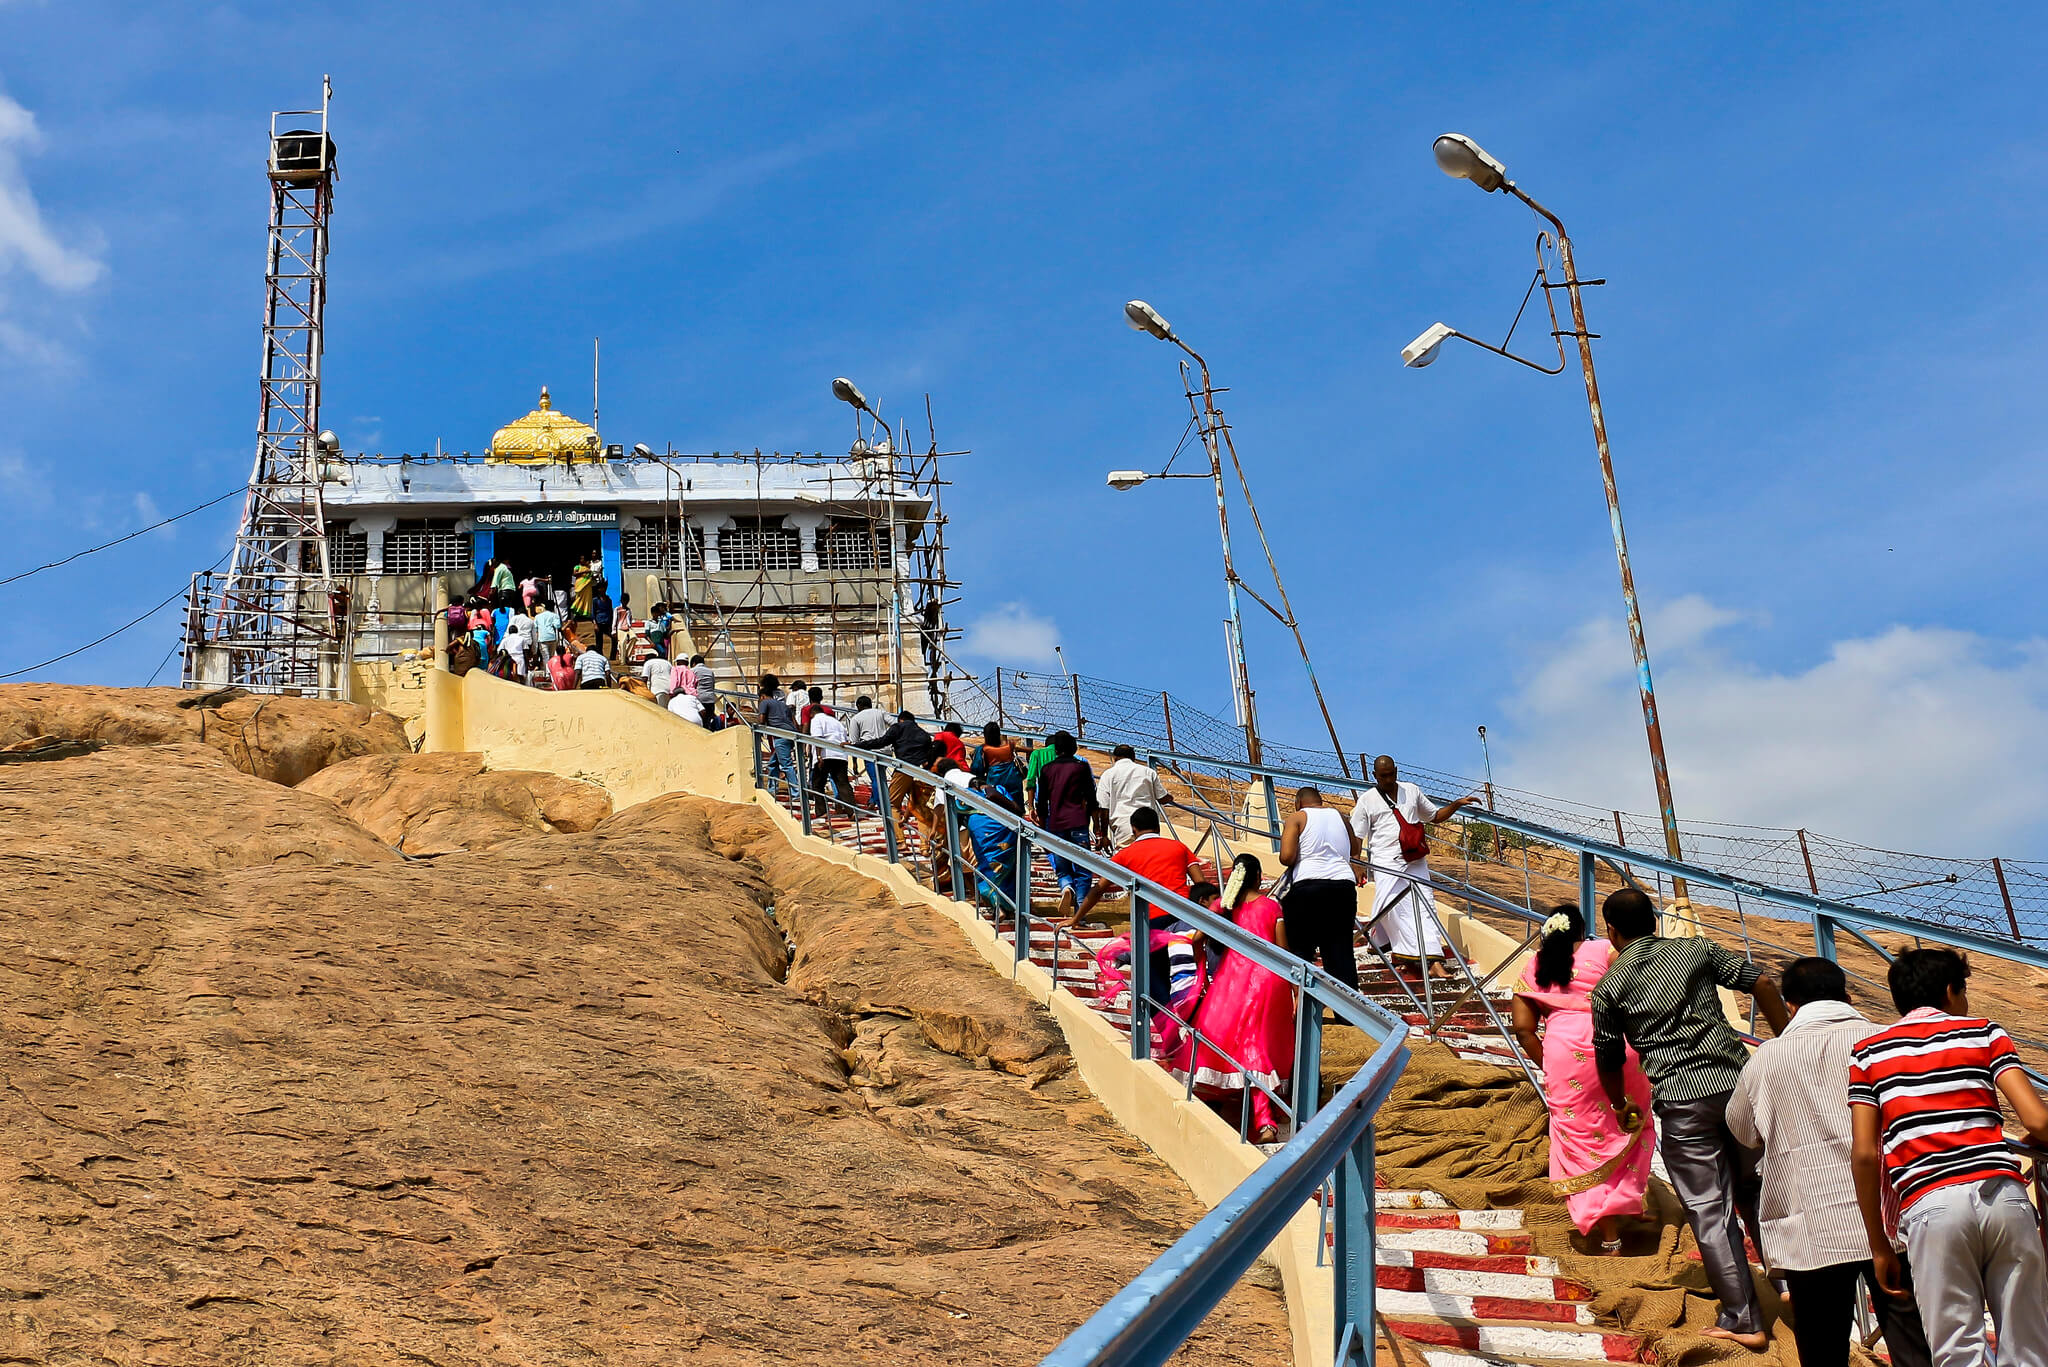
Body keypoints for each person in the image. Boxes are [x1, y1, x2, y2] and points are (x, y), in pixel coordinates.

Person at [1592, 887, 1788, 1351]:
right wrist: (1784, 1041)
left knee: (1708, 1209)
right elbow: (1760, 982)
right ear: (1655, 921)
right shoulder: (1696, 950)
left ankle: (1743, 1318)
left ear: (1612, 932)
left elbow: (1607, 1055)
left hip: (1681, 1099)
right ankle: (1789, 1284)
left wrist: (1620, 1104)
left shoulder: (1609, 988)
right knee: (1759, 1190)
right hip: (1738, 1086)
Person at [1726, 958, 1932, 1367]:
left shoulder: (1767, 1058)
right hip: (1894, 1219)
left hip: (1810, 1226)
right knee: (1913, 1345)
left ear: (1790, 1006)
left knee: (1822, 1350)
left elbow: (1742, 1130)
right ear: (1848, 995)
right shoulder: (1885, 1041)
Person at [1849, 948, 2048, 1367]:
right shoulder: (1985, 1033)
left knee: (1957, 1349)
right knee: (2028, 1343)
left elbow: (1866, 1154)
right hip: (2003, 1196)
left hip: (1930, 1206)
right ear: (1949, 992)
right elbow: (2037, 1119)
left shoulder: (1868, 1053)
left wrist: (1879, 1246)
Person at [1512, 904, 1656, 1254]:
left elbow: (1523, 1029)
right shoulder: (1604, 951)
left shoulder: (1534, 965)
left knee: (1583, 1142)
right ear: (1583, 931)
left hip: (1564, 1055)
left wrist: (1552, 1064)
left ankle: (1610, 1236)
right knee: (1628, 1122)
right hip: (1616, 1049)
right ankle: (1627, 1201)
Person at [1176, 853, 1295, 1145]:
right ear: (1257, 877)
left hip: (1232, 980)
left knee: (1234, 1043)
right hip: (1269, 980)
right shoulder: (1271, 906)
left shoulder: (1224, 906)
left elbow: (1194, 938)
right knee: (1260, 1047)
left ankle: (1251, 1114)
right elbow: (1283, 950)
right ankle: (1266, 1120)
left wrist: (1199, 965)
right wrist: (1295, 989)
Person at [1350, 755, 1485, 977]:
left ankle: (1432, 962)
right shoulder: (1367, 800)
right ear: (1375, 776)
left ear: (1396, 770)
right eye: (1383, 776)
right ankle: (1404, 953)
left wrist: (1457, 804)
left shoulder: (1411, 791)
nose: (1388, 779)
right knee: (1388, 909)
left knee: (1425, 908)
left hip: (1415, 860)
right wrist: (1356, 861)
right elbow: (1357, 835)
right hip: (1386, 863)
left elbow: (1434, 816)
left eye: (1391, 774)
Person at [1278, 786, 1364, 989]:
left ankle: (1306, 1007)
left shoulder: (1297, 818)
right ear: (1320, 801)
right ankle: (1346, 1013)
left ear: (1298, 802)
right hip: (1343, 886)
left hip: (1308, 886)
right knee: (1341, 950)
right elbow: (1355, 848)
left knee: (1302, 949)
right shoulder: (1341, 817)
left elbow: (1286, 857)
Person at [1065, 804, 1198, 928]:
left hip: (1151, 920)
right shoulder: (1179, 847)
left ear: (1133, 829)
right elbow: (1201, 884)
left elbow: (1098, 889)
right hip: (1185, 915)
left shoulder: (1124, 855)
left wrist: (1076, 918)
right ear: (1158, 827)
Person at [1033, 732, 1102, 916]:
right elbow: (1091, 798)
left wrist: (1041, 824)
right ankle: (1080, 911)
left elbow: (1041, 802)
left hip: (1055, 824)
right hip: (1079, 822)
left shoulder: (1046, 769)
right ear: (1074, 748)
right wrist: (1097, 826)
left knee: (1062, 866)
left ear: (1056, 750)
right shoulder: (1081, 767)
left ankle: (1066, 887)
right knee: (1083, 869)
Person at [860, 709, 940, 842]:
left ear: (901, 720)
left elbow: (881, 742)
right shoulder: (924, 734)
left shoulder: (897, 728)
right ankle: (925, 846)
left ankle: (899, 840)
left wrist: (858, 745)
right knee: (920, 807)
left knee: (891, 804)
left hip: (904, 769)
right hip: (921, 772)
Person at [962, 783, 1021, 915]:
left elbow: (955, 812)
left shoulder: (969, 793)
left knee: (987, 865)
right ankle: (1009, 905)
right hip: (1003, 831)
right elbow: (1014, 808)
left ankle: (998, 905)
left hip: (983, 832)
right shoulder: (1000, 789)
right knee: (1005, 868)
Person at [1097, 744, 1168, 849]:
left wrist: (1104, 835)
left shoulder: (1108, 775)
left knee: (1125, 861)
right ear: (1133, 757)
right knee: (1149, 858)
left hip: (1123, 824)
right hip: (1148, 824)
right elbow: (1162, 798)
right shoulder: (1148, 772)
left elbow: (1103, 807)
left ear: (1114, 757)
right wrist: (1170, 798)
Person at [806, 703, 855, 817]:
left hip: (825, 754)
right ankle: (851, 811)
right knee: (842, 783)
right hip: (840, 755)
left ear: (812, 713)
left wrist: (819, 756)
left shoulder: (816, 720)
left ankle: (821, 811)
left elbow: (817, 738)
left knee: (817, 784)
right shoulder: (836, 722)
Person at [756, 675, 798, 798]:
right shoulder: (783, 703)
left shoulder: (764, 702)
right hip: (791, 734)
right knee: (773, 763)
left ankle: (796, 793)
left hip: (781, 736)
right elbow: (794, 721)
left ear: (762, 696)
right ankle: (772, 789)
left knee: (786, 765)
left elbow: (761, 720)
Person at [690, 655, 718, 731]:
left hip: (699, 699)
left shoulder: (693, 670)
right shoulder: (710, 671)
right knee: (707, 723)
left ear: (694, 663)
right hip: (710, 700)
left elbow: (690, 685)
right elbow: (712, 685)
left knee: (699, 724)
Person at [590, 581, 615, 660]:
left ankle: (612, 656)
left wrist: (612, 624)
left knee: (614, 639)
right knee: (599, 641)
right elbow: (593, 613)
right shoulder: (595, 600)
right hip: (599, 622)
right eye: (601, 588)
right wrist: (595, 624)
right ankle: (600, 656)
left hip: (607, 622)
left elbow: (611, 612)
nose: (602, 590)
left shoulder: (609, 600)